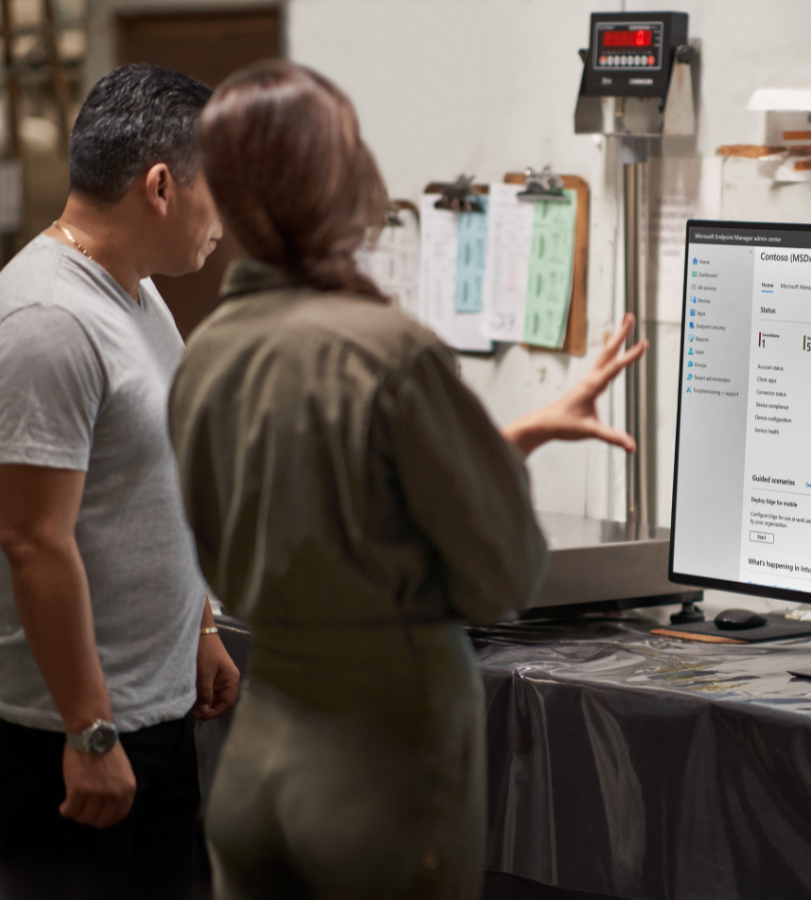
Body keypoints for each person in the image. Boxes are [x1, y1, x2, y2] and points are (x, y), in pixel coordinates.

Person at [168, 60, 646, 899]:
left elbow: (319, 495)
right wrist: (483, 471)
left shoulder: (205, 351)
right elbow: (502, 577)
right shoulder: (389, 352)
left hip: (254, 773)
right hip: (377, 782)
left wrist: (510, 437)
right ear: (336, 180)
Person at [0, 64, 240, 899]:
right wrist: (90, 731)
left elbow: (150, 481)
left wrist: (199, 626)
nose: (229, 220)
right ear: (162, 186)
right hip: (66, 736)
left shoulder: (137, 296)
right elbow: (33, 541)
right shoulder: (49, 320)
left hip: (154, 713)